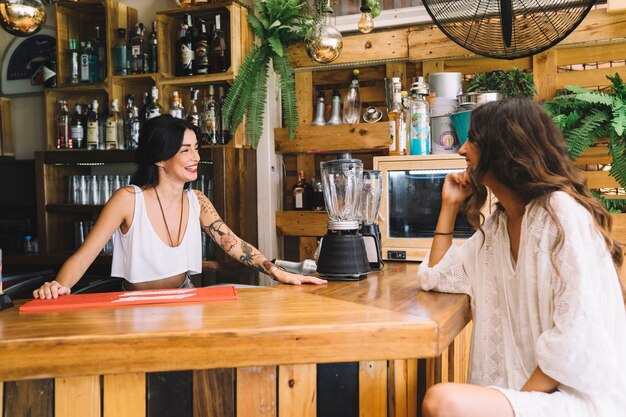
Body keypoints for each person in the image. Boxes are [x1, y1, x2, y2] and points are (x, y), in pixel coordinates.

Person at [418, 98, 626, 417]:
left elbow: (578, 336)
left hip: (578, 399)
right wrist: (449, 206)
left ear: (500, 148)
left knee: (442, 402)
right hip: (529, 393)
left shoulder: (561, 214)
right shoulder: (499, 227)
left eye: (472, 139)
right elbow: (435, 277)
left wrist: (518, 398)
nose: (461, 150)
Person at [34, 115, 326, 299]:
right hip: (133, 304)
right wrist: (58, 286)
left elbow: (234, 245)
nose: (195, 156)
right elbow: (83, 257)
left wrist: (278, 272)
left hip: (185, 297)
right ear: (160, 159)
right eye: (185, 150)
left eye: (196, 148)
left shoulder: (197, 200)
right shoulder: (127, 199)